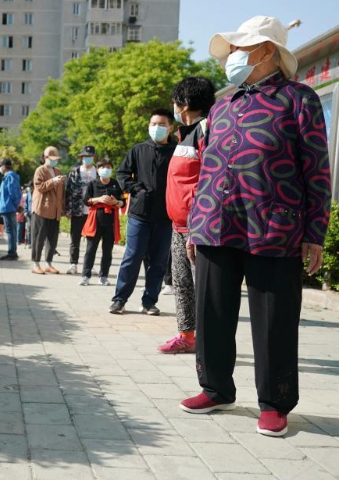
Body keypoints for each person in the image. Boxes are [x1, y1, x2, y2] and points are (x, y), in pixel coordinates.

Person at [179, 16, 331, 438]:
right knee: (212, 313)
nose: (232, 56)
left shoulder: (298, 99)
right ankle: (215, 388)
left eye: (240, 49)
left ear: (266, 51)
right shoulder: (222, 105)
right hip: (215, 224)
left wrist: (315, 232)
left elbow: (317, 169)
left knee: (274, 320)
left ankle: (275, 402)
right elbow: (207, 169)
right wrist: (195, 225)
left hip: (275, 227)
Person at [157, 76, 216, 355]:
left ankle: (210, 342)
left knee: (202, 288)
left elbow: (209, 181)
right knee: (181, 285)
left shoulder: (206, 130)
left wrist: (196, 226)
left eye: (175, 101)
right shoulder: (185, 134)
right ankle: (186, 336)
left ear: (186, 102)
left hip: (198, 228)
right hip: (178, 226)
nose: (174, 106)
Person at [110, 109, 177, 315]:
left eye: (161, 124)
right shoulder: (138, 150)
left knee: (158, 262)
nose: (157, 128)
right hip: (139, 214)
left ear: (170, 127)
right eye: (153, 124)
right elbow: (122, 173)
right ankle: (119, 299)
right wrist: (136, 189)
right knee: (132, 257)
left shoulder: (177, 151)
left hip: (165, 216)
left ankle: (149, 302)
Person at [80, 158, 124, 286]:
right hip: (95, 221)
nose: (105, 169)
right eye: (102, 167)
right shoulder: (93, 183)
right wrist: (98, 199)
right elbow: (86, 200)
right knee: (90, 249)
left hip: (110, 222)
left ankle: (103, 276)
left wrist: (115, 202)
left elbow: (123, 202)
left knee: (107, 251)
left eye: (108, 167)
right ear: (98, 169)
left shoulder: (115, 184)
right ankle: (85, 276)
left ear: (112, 169)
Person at [64, 145, 99, 275]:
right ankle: (73, 264)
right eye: (85, 156)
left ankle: (89, 265)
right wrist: (67, 209)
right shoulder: (75, 172)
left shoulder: (98, 173)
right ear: (81, 157)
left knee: (92, 241)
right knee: (75, 239)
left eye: (89, 156)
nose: (87, 158)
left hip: (93, 212)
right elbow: (68, 191)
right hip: (77, 210)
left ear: (93, 157)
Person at [31, 146, 66, 274]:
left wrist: (63, 208)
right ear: (45, 158)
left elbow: (62, 193)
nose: (54, 161)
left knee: (52, 239)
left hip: (55, 211)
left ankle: (48, 263)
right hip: (42, 209)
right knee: (38, 238)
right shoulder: (40, 170)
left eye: (56, 159)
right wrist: (53, 181)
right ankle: (35, 264)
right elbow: (40, 187)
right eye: (52, 158)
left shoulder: (58, 171)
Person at [0, 158, 22, 260]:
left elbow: (13, 192)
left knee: (10, 230)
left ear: (4, 167)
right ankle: (12, 252)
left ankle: (12, 253)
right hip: (8, 207)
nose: (0, 168)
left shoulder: (10, 176)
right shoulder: (9, 176)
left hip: (9, 207)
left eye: (1, 166)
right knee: (11, 230)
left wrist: (16, 205)